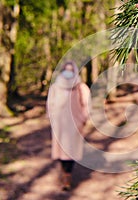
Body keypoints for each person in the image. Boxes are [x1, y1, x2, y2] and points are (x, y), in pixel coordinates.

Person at [47, 61, 90, 191]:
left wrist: (83, 118)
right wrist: (52, 118)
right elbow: (50, 104)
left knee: (71, 151)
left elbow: (87, 104)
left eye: (71, 69)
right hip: (59, 124)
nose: (69, 72)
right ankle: (64, 172)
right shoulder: (55, 87)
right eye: (67, 69)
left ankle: (67, 175)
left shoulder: (80, 87)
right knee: (61, 150)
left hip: (74, 124)